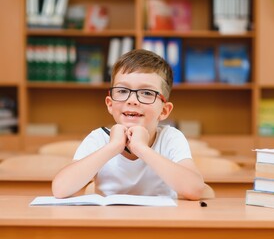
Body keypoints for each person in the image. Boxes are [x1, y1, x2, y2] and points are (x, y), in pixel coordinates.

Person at [52, 49, 205, 200]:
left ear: (164, 111)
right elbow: (60, 189)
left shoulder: (170, 138)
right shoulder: (99, 139)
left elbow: (195, 189)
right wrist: (113, 147)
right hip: (110, 221)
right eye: (123, 90)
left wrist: (141, 149)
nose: (132, 100)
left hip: (159, 222)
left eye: (146, 93)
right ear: (110, 104)